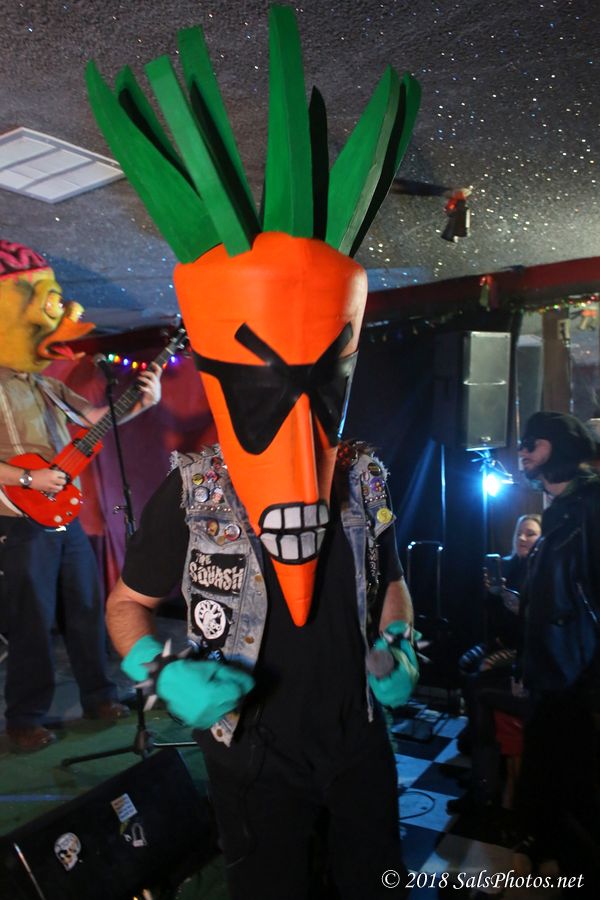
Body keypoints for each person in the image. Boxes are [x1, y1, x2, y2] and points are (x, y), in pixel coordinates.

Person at [107, 441, 417, 900]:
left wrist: (399, 641)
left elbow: (392, 580)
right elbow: (126, 603)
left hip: (358, 736)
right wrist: (161, 673)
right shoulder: (197, 486)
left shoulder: (361, 475)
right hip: (252, 751)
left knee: (377, 885)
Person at [0, 239, 163, 753]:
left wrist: (143, 401)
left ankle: (100, 696)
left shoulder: (45, 385)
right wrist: (26, 480)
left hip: (62, 514)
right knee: (31, 621)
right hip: (16, 519)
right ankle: (23, 719)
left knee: (88, 606)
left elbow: (94, 420)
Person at [514, 411, 600, 884]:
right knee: (549, 771)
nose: (523, 451)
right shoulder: (560, 511)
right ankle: (548, 854)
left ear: (560, 447)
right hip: (553, 673)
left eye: (534, 442)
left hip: (578, 677)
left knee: (576, 781)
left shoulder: (591, 505)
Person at [447, 514, 541, 813]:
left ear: (542, 539)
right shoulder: (508, 565)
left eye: (531, 533)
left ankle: (483, 778)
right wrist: (489, 593)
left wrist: (512, 602)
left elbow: (530, 626)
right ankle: (475, 748)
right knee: (465, 664)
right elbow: (494, 619)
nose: (523, 538)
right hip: (500, 642)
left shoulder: (542, 572)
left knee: (479, 681)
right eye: (520, 533)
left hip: (520, 651)